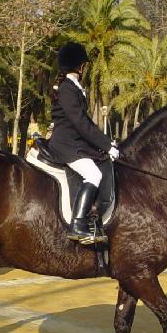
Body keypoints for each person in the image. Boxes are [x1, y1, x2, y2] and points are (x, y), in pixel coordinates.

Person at [48, 41, 118, 243]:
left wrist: (107, 144)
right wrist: (106, 146)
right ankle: (77, 224)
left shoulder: (71, 87)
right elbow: (79, 122)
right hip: (67, 144)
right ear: (80, 66)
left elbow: (85, 122)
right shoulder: (68, 89)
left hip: (74, 142)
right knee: (93, 174)